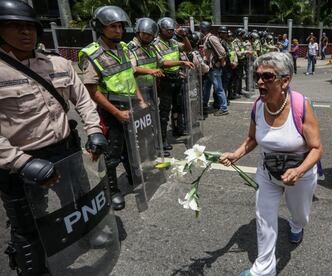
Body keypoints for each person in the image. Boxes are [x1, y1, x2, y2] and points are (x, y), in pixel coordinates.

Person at [0, 1, 107, 274]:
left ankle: (88, 233)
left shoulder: (57, 62)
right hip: (20, 161)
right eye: (15, 26)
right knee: (29, 224)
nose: (25, 32)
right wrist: (20, 162)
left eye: (30, 26)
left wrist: (94, 130)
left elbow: (82, 100)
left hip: (65, 149)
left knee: (80, 199)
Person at [220, 52, 322, 276]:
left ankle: (296, 226)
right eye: (258, 76)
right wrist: (236, 154)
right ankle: (263, 269)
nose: (259, 82)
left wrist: (299, 170)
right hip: (268, 172)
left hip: (299, 174)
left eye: (267, 77)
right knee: (264, 217)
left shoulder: (300, 106)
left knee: (301, 215)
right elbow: (252, 138)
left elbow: (316, 148)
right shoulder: (258, 106)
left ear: (285, 80)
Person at [78, 5, 145, 211]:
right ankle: (113, 190)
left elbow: (129, 76)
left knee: (132, 146)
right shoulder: (92, 54)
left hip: (129, 105)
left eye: (120, 26)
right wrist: (116, 113)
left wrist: (140, 99)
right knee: (112, 153)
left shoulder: (124, 48)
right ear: (100, 28)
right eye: (112, 27)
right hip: (109, 110)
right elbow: (92, 91)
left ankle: (134, 177)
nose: (118, 31)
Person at [153, 17, 193, 148]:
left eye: (172, 30)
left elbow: (188, 49)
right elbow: (163, 63)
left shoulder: (173, 42)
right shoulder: (156, 44)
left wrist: (184, 36)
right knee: (164, 111)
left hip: (176, 78)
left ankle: (177, 128)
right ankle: (162, 139)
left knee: (178, 106)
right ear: (160, 29)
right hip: (164, 79)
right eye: (167, 30)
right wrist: (181, 62)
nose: (170, 32)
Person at [200, 21, 229, 116]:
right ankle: (204, 105)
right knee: (206, 87)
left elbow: (222, 51)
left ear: (203, 28)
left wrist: (221, 62)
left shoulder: (211, 38)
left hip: (214, 68)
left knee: (218, 89)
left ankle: (224, 108)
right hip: (209, 68)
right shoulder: (206, 38)